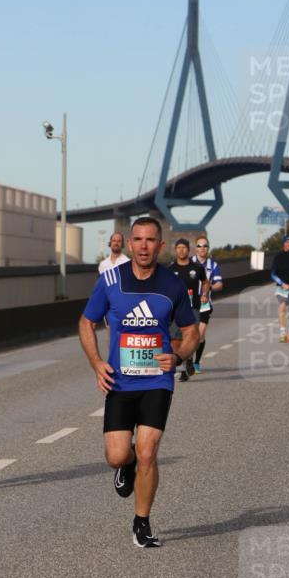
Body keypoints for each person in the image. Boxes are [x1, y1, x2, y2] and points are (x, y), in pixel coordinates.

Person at [79, 217, 199, 548]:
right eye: (138, 240)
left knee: (148, 451)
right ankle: (126, 464)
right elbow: (86, 322)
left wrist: (178, 356)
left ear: (161, 246)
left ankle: (142, 521)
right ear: (129, 244)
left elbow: (191, 331)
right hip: (120, 382)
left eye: (150, 240)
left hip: (157, 380)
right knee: (118, 456)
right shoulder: (110, 280)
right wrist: (96, 363)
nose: (144, 246)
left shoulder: (172, 285)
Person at [168, 238, 208, 379]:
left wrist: (204, 294)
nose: (181, 250)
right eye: (178, 247)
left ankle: (186, 366)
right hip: (175, 309)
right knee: (175, 341)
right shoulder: (171, 269)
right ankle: (185, 366)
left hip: (192, 308)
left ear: (188, 249)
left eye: (184, 247)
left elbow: (205, 282)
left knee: (190, 337)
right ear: (176, 250)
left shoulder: (197, 268)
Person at [191, 235, 223, 371]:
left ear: (208, 248)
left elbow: (219, 285)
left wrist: (208, 287)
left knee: (200, 334)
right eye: (199, 245)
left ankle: (196, 361)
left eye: (205, 246)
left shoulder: (213, 265)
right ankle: (187, 359)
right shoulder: (188, 262)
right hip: (189, 303)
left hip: (204, 303)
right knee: (189, 334)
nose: (202, 248)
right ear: (195, 248)